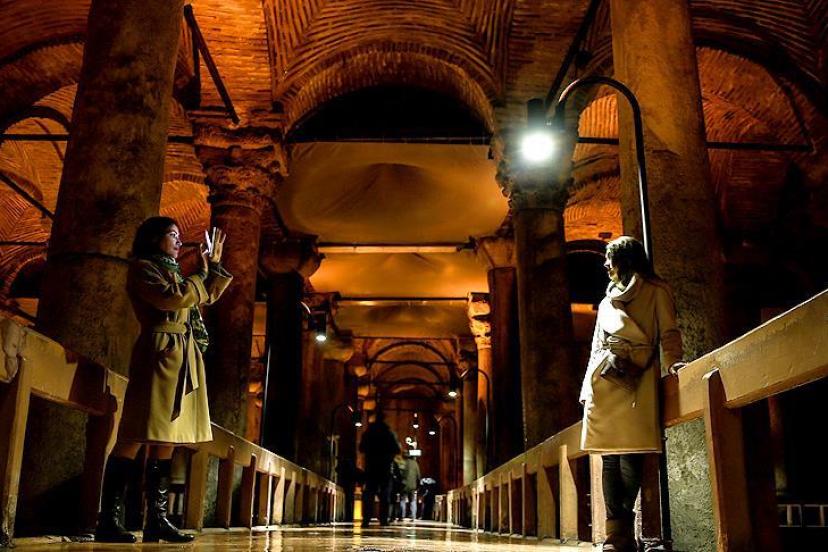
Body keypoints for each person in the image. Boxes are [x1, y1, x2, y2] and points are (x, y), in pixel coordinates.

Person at [95, 217, 232, 543]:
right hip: (160, 352)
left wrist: (213, 267)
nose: (178, 240)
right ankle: (109, 519)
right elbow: (172, 298)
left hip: (182, 354)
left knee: (167, 436)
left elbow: (202, 297)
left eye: (179, 235)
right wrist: (199, 274)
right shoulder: (143, 268)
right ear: (154, 238)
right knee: (137, 432)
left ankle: (156, 519)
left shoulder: (175, 272)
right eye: (172, 234)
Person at [579, 236, 684, 552]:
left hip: (639, 377)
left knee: (632, 455)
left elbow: (669, 331)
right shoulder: (606, 301)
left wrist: (674, 362)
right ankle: (616, 534)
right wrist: (586, 389)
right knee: (609, 458)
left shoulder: (656, 290)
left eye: (609, 258)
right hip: (606, 379)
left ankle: (622, 530)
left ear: (624, 260)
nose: (605, 264)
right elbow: (597, 346)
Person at [358, 411, 401, 527]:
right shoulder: (389, 433)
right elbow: (397, 449)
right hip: (385, 467)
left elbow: (361, 448)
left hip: (371, 466)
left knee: (369, 493)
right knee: (385, 494)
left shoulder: (369, 432)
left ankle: (366, 519)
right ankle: (383, 519)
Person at [401, 453, 421, 520]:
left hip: (403, 485)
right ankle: (413, 516)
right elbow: (418, 475)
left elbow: (399, 474)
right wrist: (418, 485)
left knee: (402, 500)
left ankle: (402, 516)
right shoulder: (415, 463)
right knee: (412, 501)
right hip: (412, 485)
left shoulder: (402, 463)